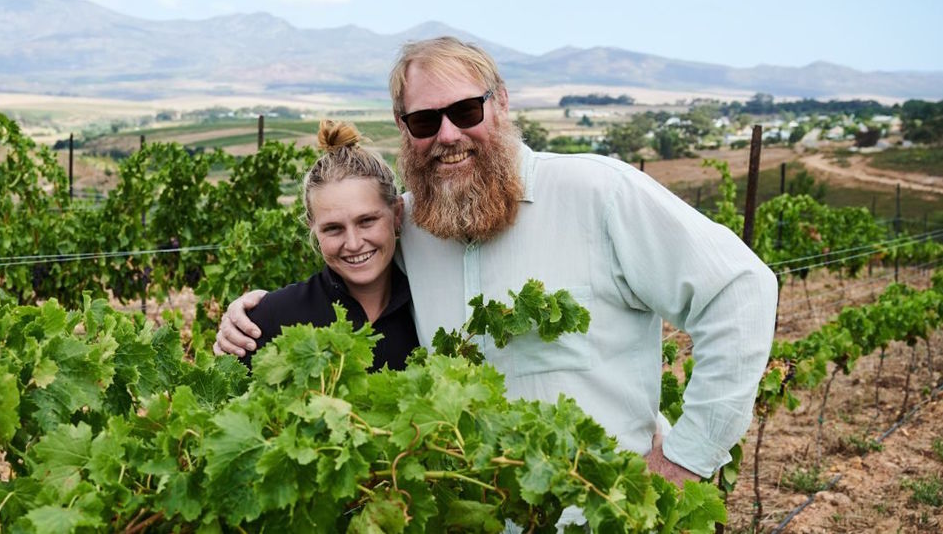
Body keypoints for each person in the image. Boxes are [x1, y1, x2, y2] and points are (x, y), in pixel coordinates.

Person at [215, 36, 778, 487]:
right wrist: (252, 313)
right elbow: (353, 255)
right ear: (404, 130)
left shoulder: (597, 193)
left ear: (501, 101)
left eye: (465, 110)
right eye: (425, 120)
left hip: (599, 512)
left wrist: (686, 459)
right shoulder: (410, 224)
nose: (448, 134)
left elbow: (740, 290)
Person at [240, 119, 418, 371]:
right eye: (333, 228)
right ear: (312, 226)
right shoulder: (269, 321)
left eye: (367, 221)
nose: (354, 243)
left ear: (397, 213)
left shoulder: (427, 310)